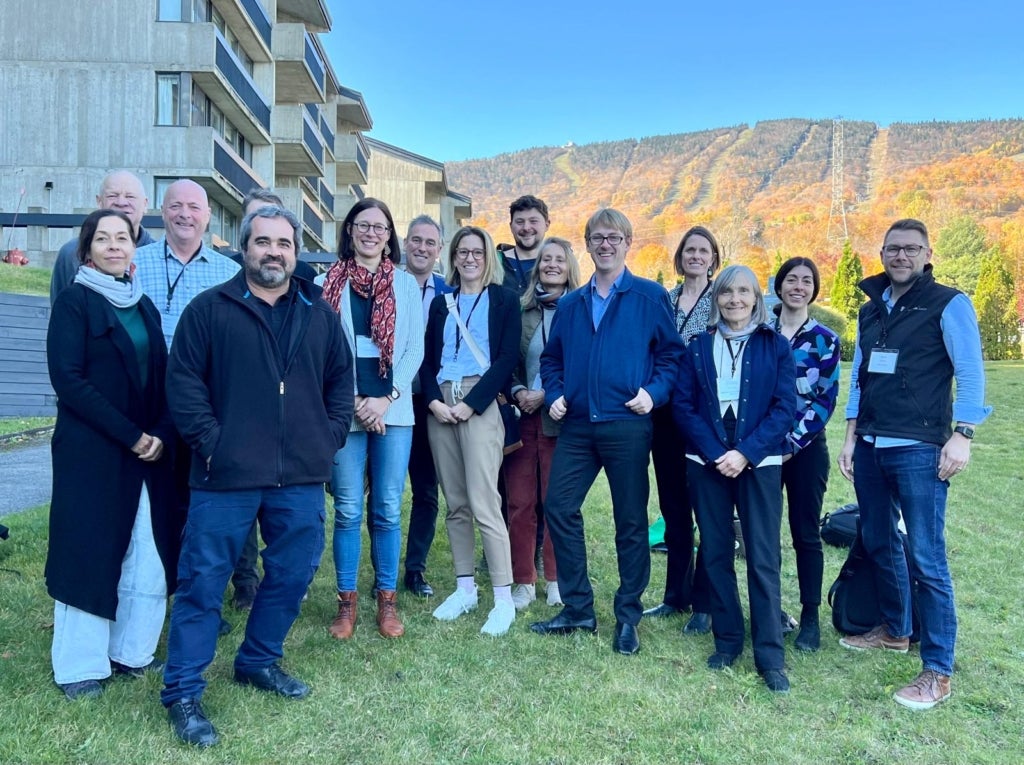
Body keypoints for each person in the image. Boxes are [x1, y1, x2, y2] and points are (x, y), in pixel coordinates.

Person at [160, 206, 353, 747]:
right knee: (202, 583)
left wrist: (328, 436)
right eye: (263, 242)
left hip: (299, 475)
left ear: (296, 251)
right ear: (244, 248)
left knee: (293, 573)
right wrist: (214, 445)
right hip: (225, 476)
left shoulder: (318, 313)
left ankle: (258, 660)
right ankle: (183, 693)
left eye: (284, 244)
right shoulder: (209, 310)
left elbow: (341, 382)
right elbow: (184, 385)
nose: (274, 252)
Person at [837, 218, 990, 710]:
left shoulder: (948, 303)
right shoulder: (869, 310)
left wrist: (962, 435)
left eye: (910, 248)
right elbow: (860, 378)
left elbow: (969, 372)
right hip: (871, 445)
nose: (900, 256)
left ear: (928, 254)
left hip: (921, 448)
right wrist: (849, 436)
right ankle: (896, 631)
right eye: (891, 249)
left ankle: (938, 671)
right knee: (878, 540)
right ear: (882, 254)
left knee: (927, 558)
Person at [530, 208, 683, 656]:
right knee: (559, 507)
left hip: (627, 424)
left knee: (631, 522)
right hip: (577, 425)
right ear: (588, 243)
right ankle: (579, 609)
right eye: (597, 237)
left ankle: (628, 616)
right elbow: (552, 359)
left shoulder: (649, 297)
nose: (606, 244)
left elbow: (671, 357)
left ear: (627, 242)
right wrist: (555, 391)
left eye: (614, 237)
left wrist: (653, 394)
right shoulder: (573, 303)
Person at [45, 210, 182, 700]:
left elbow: (163, 376)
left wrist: (162, 432)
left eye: (121, 238)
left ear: (133, 247)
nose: (113, 246)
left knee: (147, 550)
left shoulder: (143, 306)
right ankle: (80, 665)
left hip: (148, 453)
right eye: (102, 239)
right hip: (95, 453)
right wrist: (132, 436)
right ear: (87, 250)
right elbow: (70, 382)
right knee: (91, 551)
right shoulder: (74, 303)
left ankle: (131, 651)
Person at [672, 264, 796, 692]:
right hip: (705, 463)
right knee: (716, 553)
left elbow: (785, 407)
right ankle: (727, 641)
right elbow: (683, 406)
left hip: (758, 464)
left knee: (763, 558)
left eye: (744, 292)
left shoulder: (774, 346)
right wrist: (715, 453)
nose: (735, 300)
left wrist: (744, 453)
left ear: (757, 298)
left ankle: (770, 656)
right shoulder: (697, 346)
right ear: (716, 299)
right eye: (727, 292)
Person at [134, 179, 241, 635]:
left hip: (201, 405)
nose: (184, 214)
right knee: (153, 508)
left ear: (208, 217)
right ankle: (147, 602)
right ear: (161, 211)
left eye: (193, 207)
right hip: (144, 403)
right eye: (175, 205)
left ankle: (196, 604)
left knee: (200, 511)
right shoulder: (133, 264)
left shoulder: (224, 273)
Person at [322, 199, 423, 640]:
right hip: (343, 410)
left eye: (379, 227)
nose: (370, 233)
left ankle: (387, 600)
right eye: (363, 225)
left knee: (385, 507)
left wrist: (385, 399)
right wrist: (356, 399)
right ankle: (346, 604)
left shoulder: (405, 285)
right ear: (349, 231)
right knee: (346, 509)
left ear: (389, 236)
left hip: (394, 412)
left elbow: (413, 350)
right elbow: (321, 350)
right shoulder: (325, 282)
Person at [421, 226, 521, 636]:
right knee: (456, 502)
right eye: (462, 251)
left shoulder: (504, 299)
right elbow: (426, 360)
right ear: (454, 256)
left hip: (478, 403)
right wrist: (434, 402)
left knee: (485, 501)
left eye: (477, 251)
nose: (469, 258)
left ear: (487, 256)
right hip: (442, 404)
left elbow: (506, 358)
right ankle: (465, 588)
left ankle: (502, 596)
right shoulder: (442, 304)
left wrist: (471, 403)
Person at [644, 226, 720, 637]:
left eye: (702, 250)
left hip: (705, 419)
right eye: (688, 249)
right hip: (664, 417)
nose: (695, 256)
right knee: (673, 509)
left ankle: (705, 603)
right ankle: (676, 594)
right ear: (679, 256)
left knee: (707, 510)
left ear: (713, 258)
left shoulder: (721, 299)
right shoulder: (665, 299)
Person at [504, 237, 580, 610]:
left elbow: (583, 366)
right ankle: (523, 581)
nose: (551, 265)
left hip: (561, 421)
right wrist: (520, 391)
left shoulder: (581, 310)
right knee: (519, 502)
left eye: (559, 260)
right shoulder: (521, 310)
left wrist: (549, 395)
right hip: (522, 419)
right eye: (545, 260)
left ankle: (555, 579)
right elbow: (506, 360)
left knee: (556, 503)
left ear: (569, 267)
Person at [772, 257, 840, 652]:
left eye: (806, 281)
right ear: (779, 286)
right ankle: (773, 610)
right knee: (763, 535)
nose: (798, 286)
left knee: (805, 533)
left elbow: (824, 401)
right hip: (761, 449)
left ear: (813, 289)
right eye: (791, 280)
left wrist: (791, 444)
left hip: (806, 450)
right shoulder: (759, 332)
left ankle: (810, 616)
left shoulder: (825, 340)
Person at [400, 215, 452, 597]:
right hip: (389, 399)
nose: (422, 247)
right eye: (416, 240)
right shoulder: (387, 285)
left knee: (426, 490)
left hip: (429, 404)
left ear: (439, 249)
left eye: (429, 242)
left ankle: (414, 570)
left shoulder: (450, 295)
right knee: (382, 492)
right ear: (405, 243)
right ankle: (384, 570)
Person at [49, 171, 155, 305]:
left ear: (145, 205)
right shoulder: (71, 253)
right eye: (112, 195)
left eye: (130, 196)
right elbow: (60, 309)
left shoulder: (157, 255)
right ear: (99, 202)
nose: (121, 202)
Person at [223, 188, 318, 282]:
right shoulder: (228, 269)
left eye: (272, 215)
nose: (265, 223)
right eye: (255, 216)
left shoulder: (306, 274)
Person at [498, 195, 550, 296]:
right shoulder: (495, 263)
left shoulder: (559, 264)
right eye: (520, 222)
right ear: (511, 226)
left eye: (533, 221)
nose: (526, 227)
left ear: (547, 225)